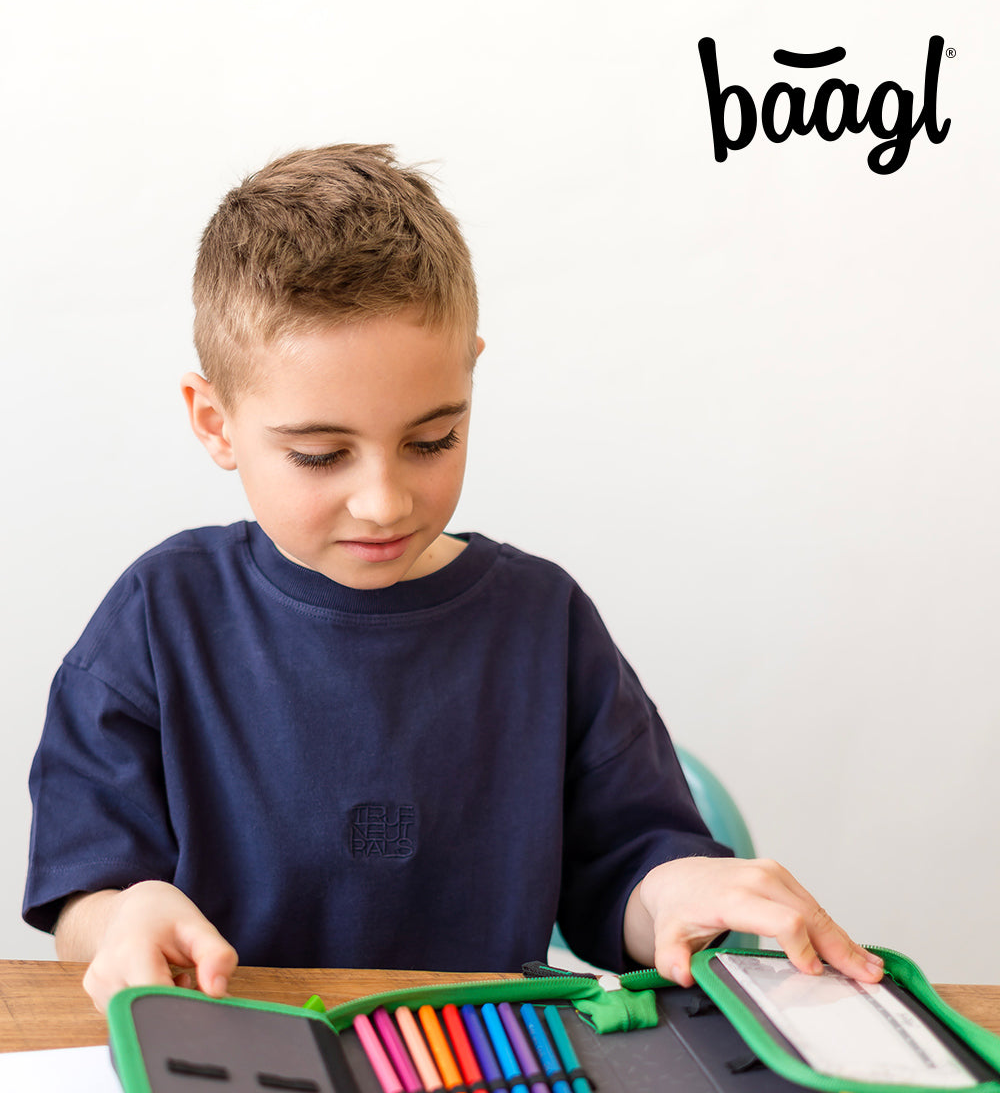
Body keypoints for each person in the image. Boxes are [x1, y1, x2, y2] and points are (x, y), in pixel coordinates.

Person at [22, 144, 883, 1013]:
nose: (383, 501)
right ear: (216, 422)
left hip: (487, 1078)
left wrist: (674, 893)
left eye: (432, 440)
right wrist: (124, 914)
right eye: (321, 454)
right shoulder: (160, 618)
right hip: (235, 1058)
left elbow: (626, 871)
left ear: (468, 374)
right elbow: (84, 891)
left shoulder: (545, 625)